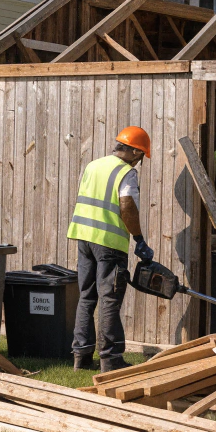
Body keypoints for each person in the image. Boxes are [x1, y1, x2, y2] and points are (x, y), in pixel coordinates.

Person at [67, 126, 154, 373]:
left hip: (84, 239)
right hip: (109, 243)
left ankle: (81, 358)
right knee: (109, 300)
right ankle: (111, 359)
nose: (138, 161)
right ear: (134, 151)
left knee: (86, 297)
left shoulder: (94, 165)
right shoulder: (126, 172)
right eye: (140, 156)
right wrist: (138, 239)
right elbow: (127, 205)